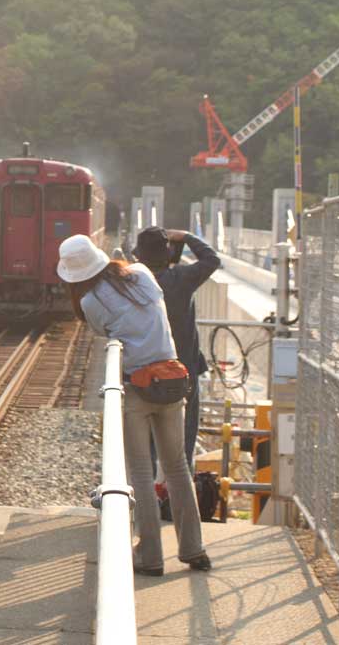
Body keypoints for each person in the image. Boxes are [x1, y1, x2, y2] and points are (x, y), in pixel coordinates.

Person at [57, 234, 210, 575]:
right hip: (172, 380)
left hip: (137, 389)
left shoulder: (90, 302)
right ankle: (194, 549)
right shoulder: (141, 273)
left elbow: (105, 332)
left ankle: (151, 557)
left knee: (140, 472)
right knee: (178, 468)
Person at [133, 227, 220, 469]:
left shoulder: (133, 283)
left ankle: (148, 499)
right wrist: (186, 237)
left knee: (146, 445)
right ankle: (179, 497)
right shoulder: (182, 279)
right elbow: (212, 259)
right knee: (183, 446)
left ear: (140, 255)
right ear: (168, 251)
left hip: (145, 373)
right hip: (183, 371)